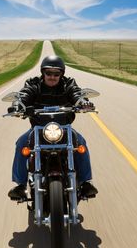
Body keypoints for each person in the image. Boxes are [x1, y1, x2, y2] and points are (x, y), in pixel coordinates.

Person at [8, 55, 98, 200]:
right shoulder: (34, 84)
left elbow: (76, 93)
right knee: (21, 144)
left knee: (81, 143)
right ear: (43, 73)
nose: (52, 77)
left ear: (61, 74)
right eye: (48, 73)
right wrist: (18, 105)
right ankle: (20, 186)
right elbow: (25, 94)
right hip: (38, 129)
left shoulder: (68, 83)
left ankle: (85, 182)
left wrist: (83, 102)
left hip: (63, 129)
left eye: (56, 74)